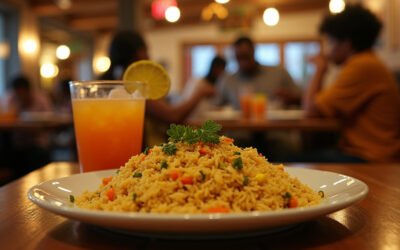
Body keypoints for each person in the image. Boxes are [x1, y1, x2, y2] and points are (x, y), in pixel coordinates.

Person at [303, 4, 400, 162]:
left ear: (346, 43)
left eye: (331, 42)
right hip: (365, 153)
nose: (328, 49)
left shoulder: (362, 66)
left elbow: (311, 110)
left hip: (372, 157)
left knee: (283, 159)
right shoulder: (367, 63)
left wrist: (320, 68)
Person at [101, 30, 215, 146]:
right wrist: (199, 93)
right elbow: (173, 117)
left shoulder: (111, 81)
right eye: (146, 51)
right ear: (138, 53)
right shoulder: (132, 86)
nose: (149, 56)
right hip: (148, 154)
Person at [216, 36, 300, 109]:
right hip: (239, 127)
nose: (243, 62)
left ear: (254, 51)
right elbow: (216, 107)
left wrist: (291, 98)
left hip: (274, 126)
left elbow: (301, 98)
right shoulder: (227, 80)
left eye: (246, 56)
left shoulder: (278, 73)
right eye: (239, 57)